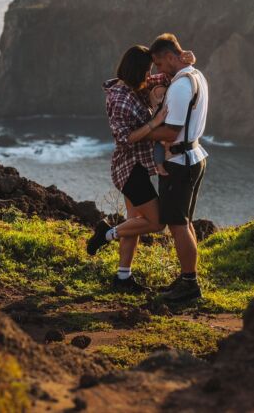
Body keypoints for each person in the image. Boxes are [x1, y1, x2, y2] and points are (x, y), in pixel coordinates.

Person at [86, 44, 194, 292]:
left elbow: (168, 74)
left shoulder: (139, 85)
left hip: (139, 166)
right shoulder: (121, 99)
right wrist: (154, 123)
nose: (150, 75)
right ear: (135, 71)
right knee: (157, 223)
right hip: (129, 169)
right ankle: (106, 234)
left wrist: (189, 58)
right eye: (146, 71)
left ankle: (123, 278)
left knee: (134, 221)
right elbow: (124, 138)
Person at [149, 32, 209, 303]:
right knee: (183, 222)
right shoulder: (196, 76)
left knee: (176, 224)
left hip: (180, 162)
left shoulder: (181, 86)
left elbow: (171, 132)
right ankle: (188, 276)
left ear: (172, 58)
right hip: (194, 156)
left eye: (160, 65)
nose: (158, 71)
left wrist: (137, 134)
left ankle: (190, 286)